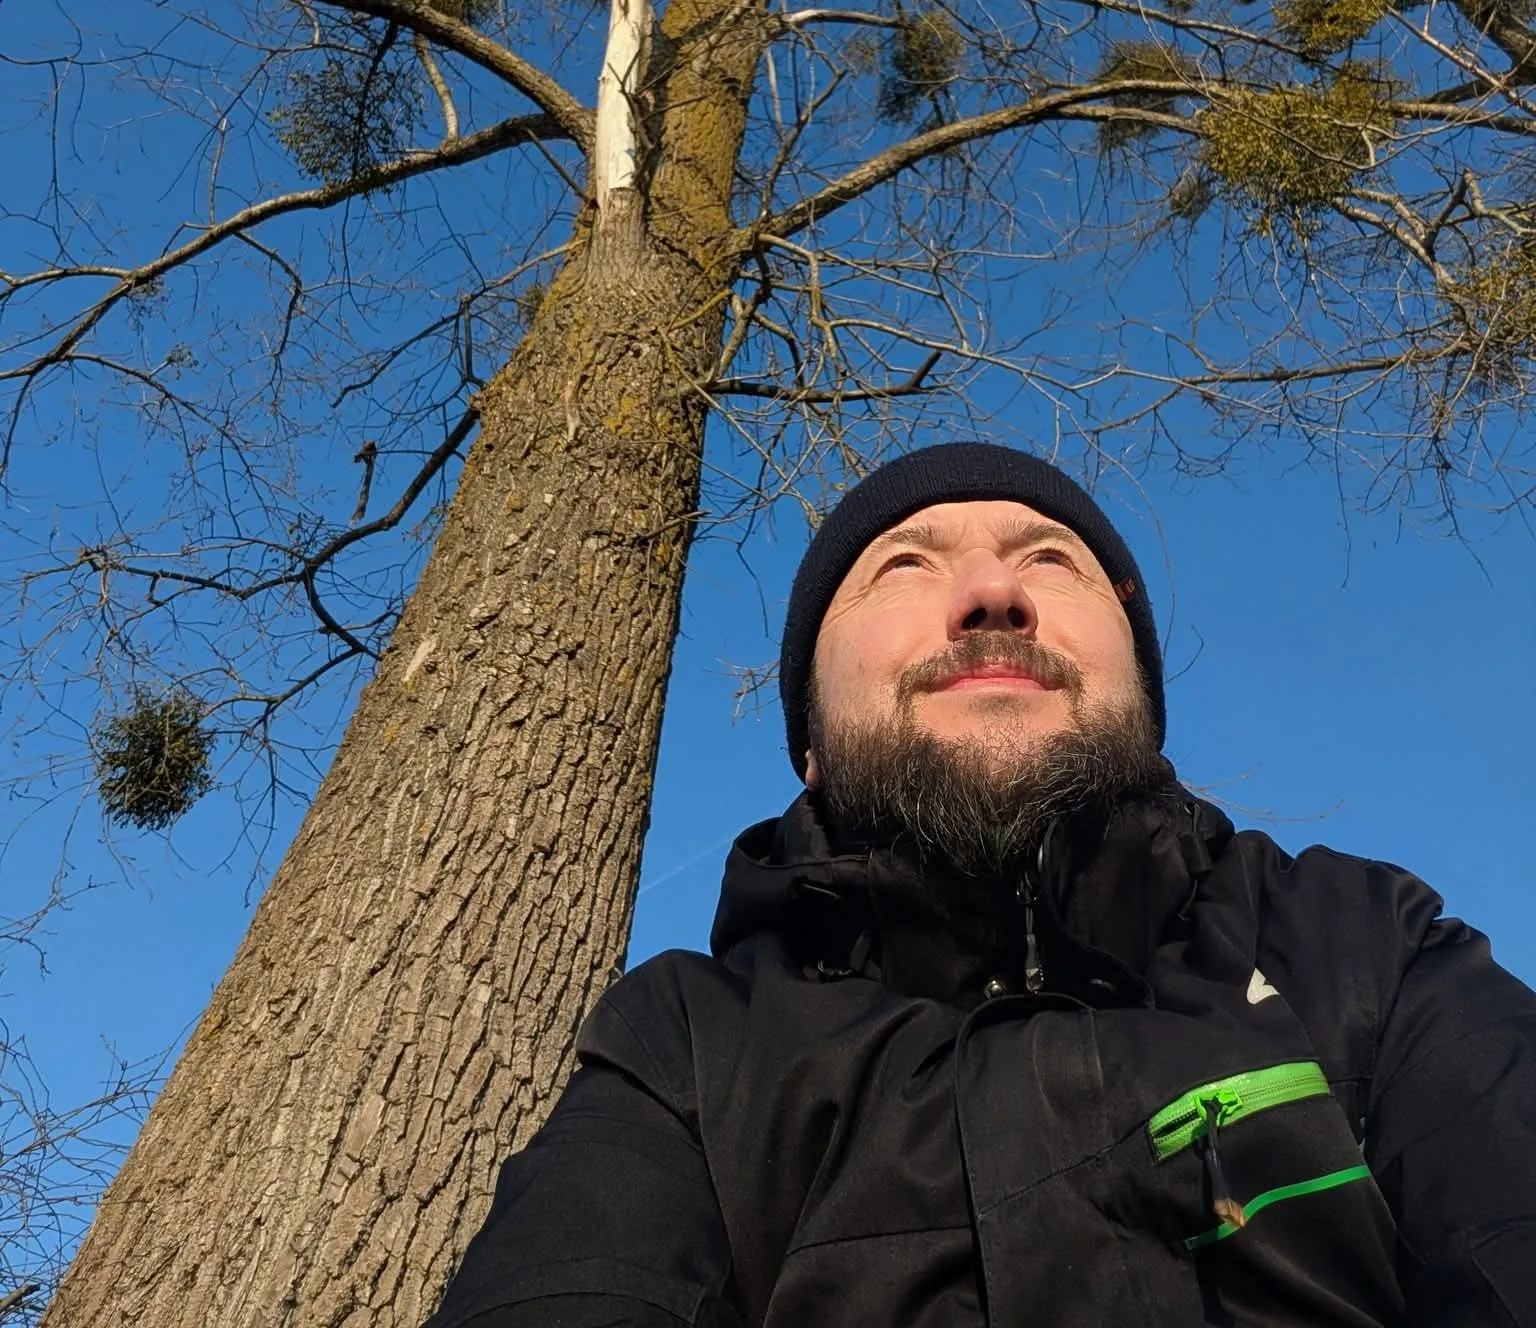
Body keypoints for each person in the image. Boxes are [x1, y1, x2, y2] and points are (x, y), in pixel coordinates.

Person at [425, 442, 1536, 1326]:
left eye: (1051, 558)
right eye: (904, 565)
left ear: (1144, 698)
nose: (995, 591)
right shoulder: (687, 1047)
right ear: (808, 745)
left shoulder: (1362, 942)